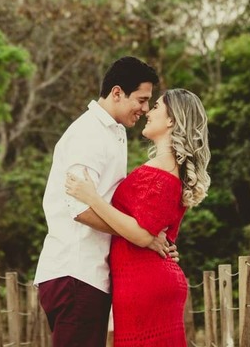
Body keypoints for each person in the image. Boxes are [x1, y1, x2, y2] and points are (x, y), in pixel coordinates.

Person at [34, 56, 177, 347]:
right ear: (117, 93)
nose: (145, 109)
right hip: (77, 272)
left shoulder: (113, 132)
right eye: (141, 100)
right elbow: (80, 208)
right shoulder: (88, 134)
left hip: (88, 276)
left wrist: (145, 236)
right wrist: (141, 237)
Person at [65, 88, 211, 347]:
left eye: (155, 107)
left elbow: (143, 234)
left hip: (146, 282)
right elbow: (149, 230)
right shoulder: (163, 169)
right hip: (141, 279)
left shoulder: (163, 173)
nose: (147, 112)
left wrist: (92, 198)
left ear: (171, 120)